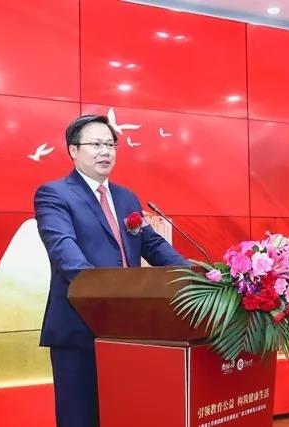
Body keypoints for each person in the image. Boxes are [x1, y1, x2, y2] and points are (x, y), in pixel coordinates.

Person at [34, 115, 188, 427]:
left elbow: (152, 244)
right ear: (73, 150)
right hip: (79, 326)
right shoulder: (54, 194)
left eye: (110, 144)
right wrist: (105, 293)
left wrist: (193, 276)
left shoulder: (125, 197)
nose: (105, 151)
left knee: (125, 413)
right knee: (80, 418)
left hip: (129, 329)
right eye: (96, 144)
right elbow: (64, 249)